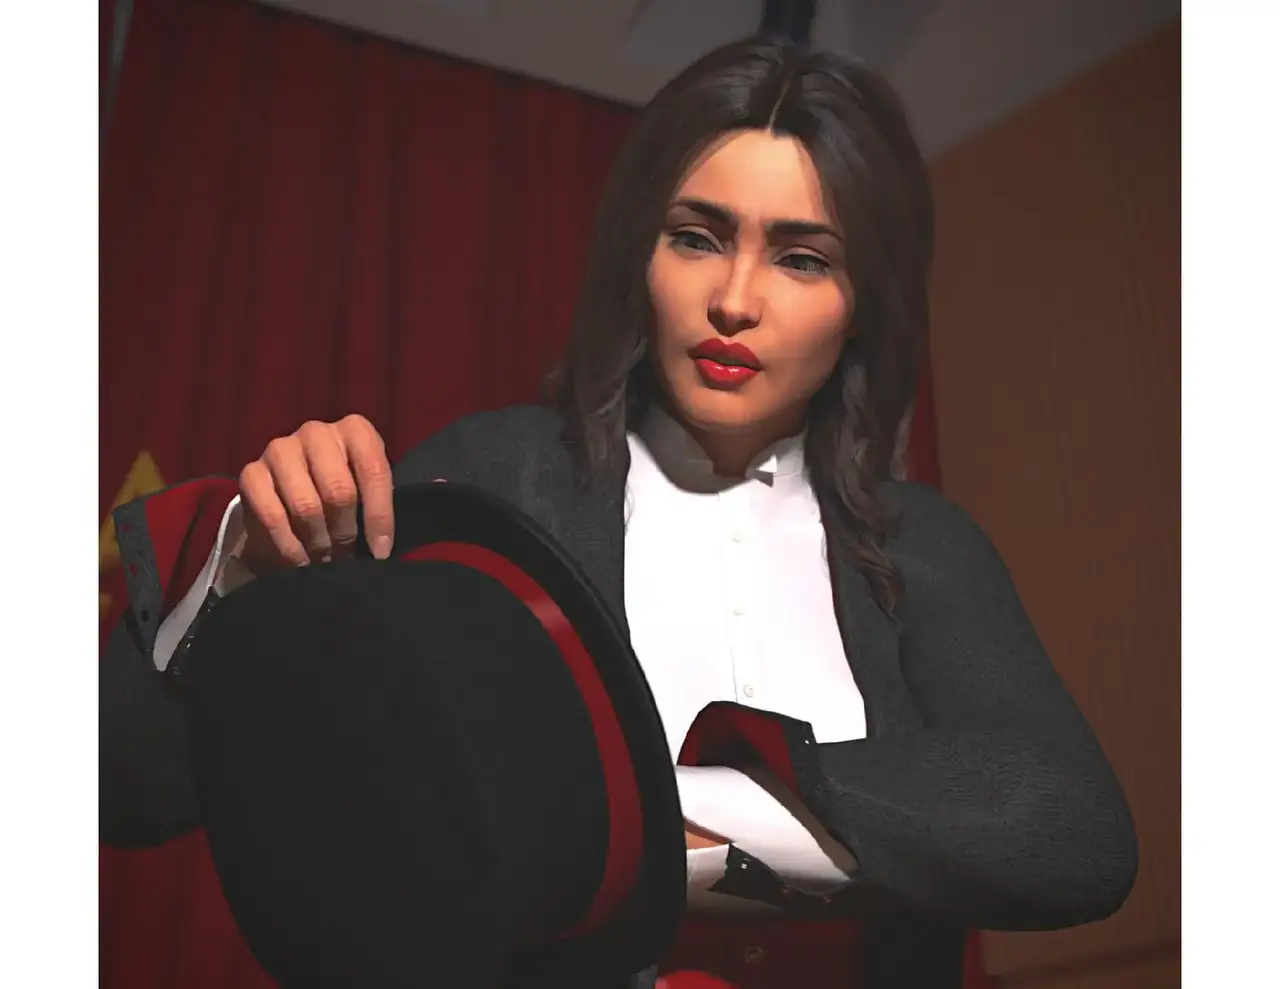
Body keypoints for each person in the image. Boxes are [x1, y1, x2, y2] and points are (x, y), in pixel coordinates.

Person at [101, 36, 1137, 989]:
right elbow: (125, 788)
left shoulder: (923, 544)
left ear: (862, 300)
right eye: (697, 237)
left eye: (801, 257)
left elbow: (1072, 832)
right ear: (638, 252)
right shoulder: (494, 476)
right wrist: (242, 570)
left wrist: (663, 816)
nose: (735, 299)